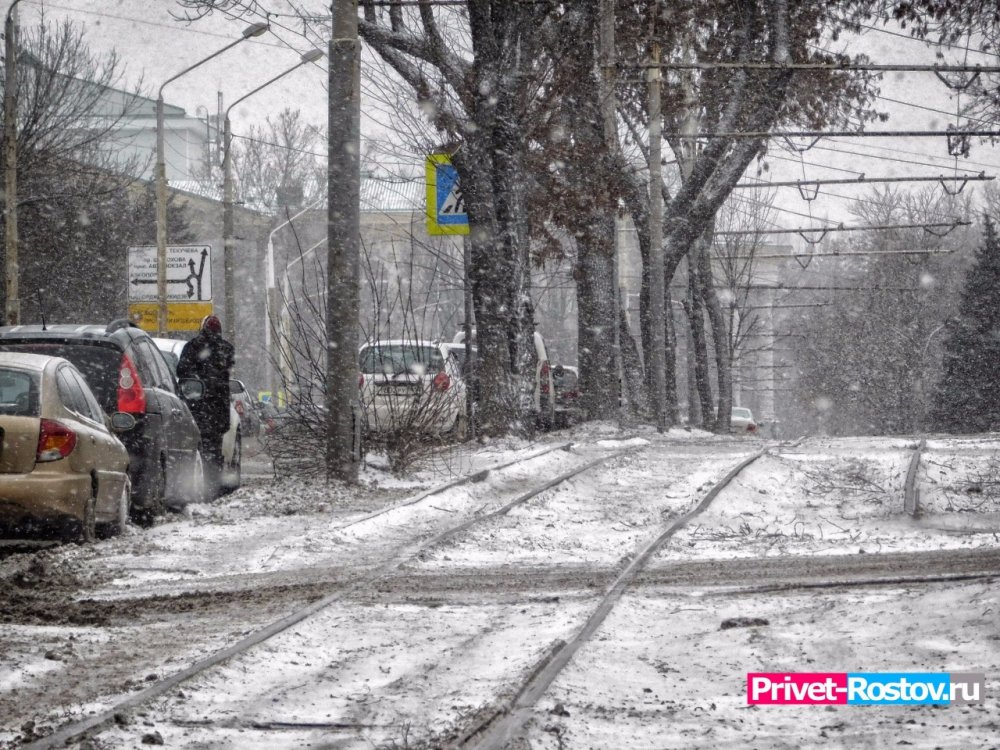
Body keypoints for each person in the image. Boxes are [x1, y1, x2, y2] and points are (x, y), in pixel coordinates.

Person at [177, 315, 235, 496]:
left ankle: (196, 485)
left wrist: (197, 383)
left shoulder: (192, 347)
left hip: (197, 406)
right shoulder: (227, 349)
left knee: (196, 446)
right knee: (214, 447)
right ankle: (213, 485)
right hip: (218, 410)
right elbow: (227, 373)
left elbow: (181, 371)